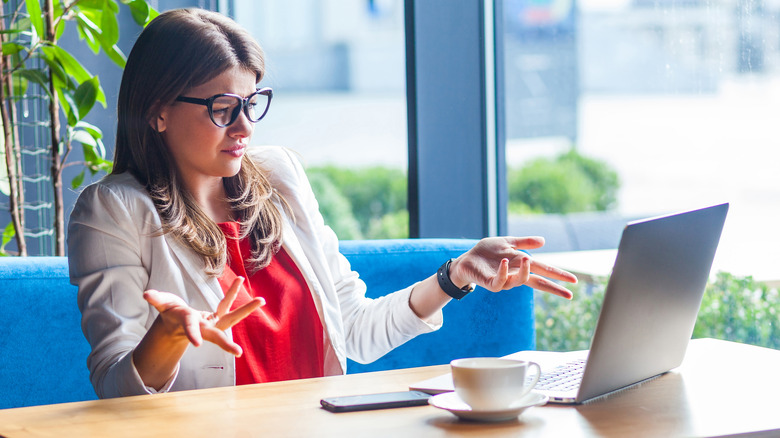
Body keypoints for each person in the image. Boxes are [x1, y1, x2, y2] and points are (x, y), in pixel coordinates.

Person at [67, 8, 577, 399]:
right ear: (158, 112)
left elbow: (356, 329)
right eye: (223, 109)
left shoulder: (280, 178)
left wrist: (455, 275)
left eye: (252, 104)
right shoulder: (113, 211)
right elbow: (115, 391)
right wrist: (168, 337)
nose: (245, 127)